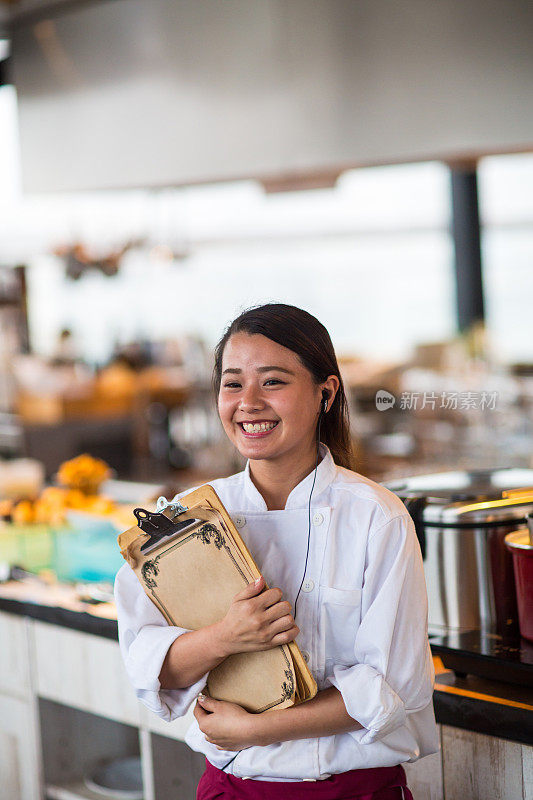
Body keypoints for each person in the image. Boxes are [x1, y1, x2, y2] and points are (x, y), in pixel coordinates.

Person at [114, 303, 439, 799]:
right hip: (232, 788)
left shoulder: (377, 517)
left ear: (325, 393)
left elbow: (394, 688)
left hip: (353, 790)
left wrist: (253, 730)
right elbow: (149, 664)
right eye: (232, 383)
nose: (248, 402)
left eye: (273, 382)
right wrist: (226, 636)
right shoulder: (183, 522)